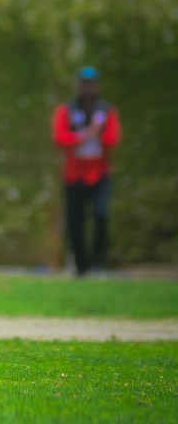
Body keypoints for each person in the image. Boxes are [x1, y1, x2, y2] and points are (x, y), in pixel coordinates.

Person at [52, 66, 121, 276]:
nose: (88, 89)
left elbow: (113, 139)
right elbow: (60, 139)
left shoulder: (106, 111)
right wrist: (84, 136)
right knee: (75, 222)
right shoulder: (66, 111)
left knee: (101, 216)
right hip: (74, 175)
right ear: (78, 86)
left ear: (97, 86)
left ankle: (99, 263)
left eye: (91, 85)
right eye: (84, 84)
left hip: (100, 175)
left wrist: (97, 133)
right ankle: (80, 266)